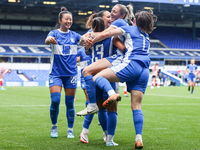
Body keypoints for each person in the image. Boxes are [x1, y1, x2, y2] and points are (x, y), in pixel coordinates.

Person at [82, 10, 157, 149]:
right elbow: (119, 42)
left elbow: (106, 34)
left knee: (97, 76)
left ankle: (112, 94)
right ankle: (139, 139)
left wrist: (91, 40)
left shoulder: (129, 28)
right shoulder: (146, 36)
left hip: (132, 64)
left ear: (134, 21)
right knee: (137, 106)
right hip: (145, 70)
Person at [76, 3, 134, 116]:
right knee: (101, 107)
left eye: (113, 12)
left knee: (110, 109)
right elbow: (83, 42)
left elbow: (108, 37)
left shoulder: (114, 29)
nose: (110, 15)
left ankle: (104, 132)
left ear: (121, 15)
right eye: (108, 15)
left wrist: (89, 41)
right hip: (99, 69)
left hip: (110, 67)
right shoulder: (93, 33)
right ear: (100, 19)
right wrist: (85, 40)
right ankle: (87, 132)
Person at [45, 7, 83, 138]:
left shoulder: (75, 35)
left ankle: (70, 129)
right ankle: (54, 127)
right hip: (56, 73)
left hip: (71, 74)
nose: (69, 21)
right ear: (60, 20)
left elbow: (82, 39)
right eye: (66, 19)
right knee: (55, 100)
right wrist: (49, 40)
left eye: (70, 19)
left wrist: (88, 39)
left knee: (69, 103)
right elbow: (47, 39)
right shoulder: (54, 33)